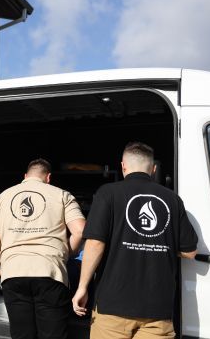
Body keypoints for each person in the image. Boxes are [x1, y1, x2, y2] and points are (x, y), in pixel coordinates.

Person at [72, 142, 198, 339]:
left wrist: (82, 288)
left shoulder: (108, 193)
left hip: (113, 307)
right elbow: (190, 251)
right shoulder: (173, 199)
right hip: (158, 310)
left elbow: (95, 243)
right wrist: (158, 243)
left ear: (123, 166)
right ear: (153, 169)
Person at [0, 158, 86, 339]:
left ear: (25, 176)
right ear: (48, 178)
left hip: (13, 274)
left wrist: (0, 265)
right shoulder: (62, 195)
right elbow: (80, 231)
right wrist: (65, 254)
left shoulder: (2, 197)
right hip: (50, 273)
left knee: (22, 334)